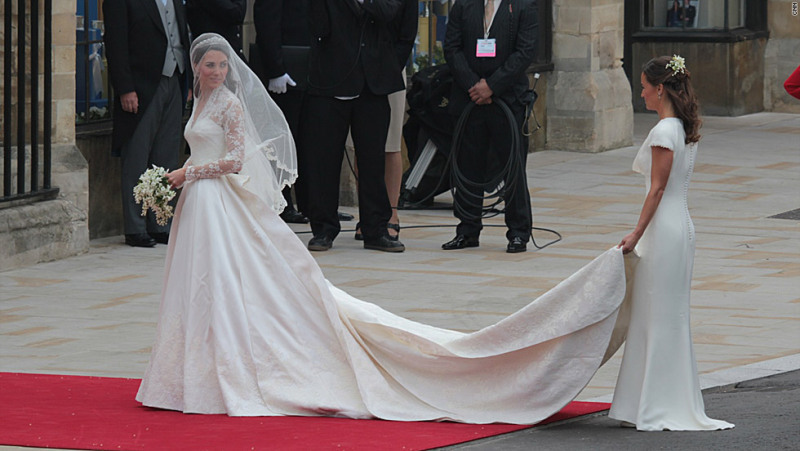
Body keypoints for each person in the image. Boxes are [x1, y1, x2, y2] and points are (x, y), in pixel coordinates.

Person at [135, 33, 638, 423]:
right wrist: (179, 179)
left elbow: (236, 158)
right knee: (197, 285)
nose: (217, 72)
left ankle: (228, 369)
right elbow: (205, 146)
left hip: (215, 199)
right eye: (209, 65)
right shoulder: (199, 102)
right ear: (197, 69)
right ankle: (189, 370)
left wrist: (185, 174)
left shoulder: (229, 102)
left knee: (226, 282)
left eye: (222, 65)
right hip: (199, 207)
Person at [609, 55, 734, 431]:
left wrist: (636, 233)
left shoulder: (665, 131)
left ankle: (656, 404)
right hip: (679, 227)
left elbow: (658, 189)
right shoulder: (680, 127)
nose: (642, 92)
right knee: (659, 316)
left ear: (660, 88)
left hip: (665, 230)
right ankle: (647, 402)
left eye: (645, 86)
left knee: (659, 317)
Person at [302, 0, 406, 253]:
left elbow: (395, 19)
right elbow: (317, 26)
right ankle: (324, 228)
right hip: (330, 82)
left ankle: (375, 229)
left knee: (372, 160)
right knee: (325, 161)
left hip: (374, 83)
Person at [442, 0, 537, 253]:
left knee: (512, 167)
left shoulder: (523, 6)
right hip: (469, 98)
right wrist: (474, 85)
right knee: (468, 164)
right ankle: (467, 229)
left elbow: (525, 51)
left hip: (506, 99)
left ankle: (518, 232)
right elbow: (451, 47)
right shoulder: (464, 5)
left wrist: (493, 85)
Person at [103, 0, 191, 248]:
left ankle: (160, 222)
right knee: (137, 158)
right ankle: (135, 227)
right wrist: (125, 88)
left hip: (175, 79)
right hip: (140, 87)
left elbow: (183, 35)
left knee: (166, 157)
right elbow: (116, 43)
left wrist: (190, 81)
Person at [353, 0, 418, 241]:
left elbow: (408, 32)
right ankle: (367, 214)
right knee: (363, 147)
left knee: (390, 144)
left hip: (388, 67)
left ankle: (391, 213)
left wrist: (391, 66)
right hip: (355, 66)